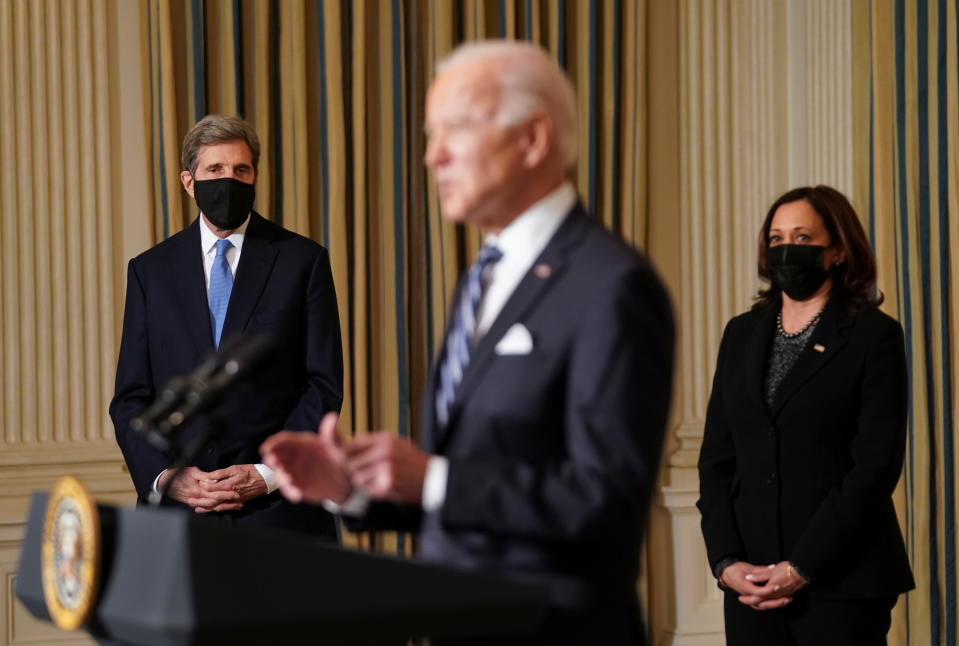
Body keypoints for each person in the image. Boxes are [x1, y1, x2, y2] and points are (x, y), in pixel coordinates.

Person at [260, 40, 674, 645]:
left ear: (532, 138)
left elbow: (604, 500)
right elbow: (467, 482)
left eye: (453, 129)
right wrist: (350, 488)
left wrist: (431, 479)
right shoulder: (482, 279)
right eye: (430, 134)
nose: (432, 157)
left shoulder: (612, 285)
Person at [697, 185, 915, 645]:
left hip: (843, 583)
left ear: (836, 250)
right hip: (750, 584)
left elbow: (874, 469)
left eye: (801, 237)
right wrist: (726, 563)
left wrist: (801, 568)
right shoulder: (740, 334)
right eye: (776, 239)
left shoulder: (874, 336)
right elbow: (717, 460)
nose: (786, 250)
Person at [110, 114, 343, 538]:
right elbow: (131, 397)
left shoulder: (302, 261)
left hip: (279, 512)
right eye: (214, 170)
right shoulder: (150, 271)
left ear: (255, 178)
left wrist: (266, 472)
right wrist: (168, 476)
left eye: (241, 170)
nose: (229, 180)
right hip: (177, 518)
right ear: (188, 181)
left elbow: (322, 385)